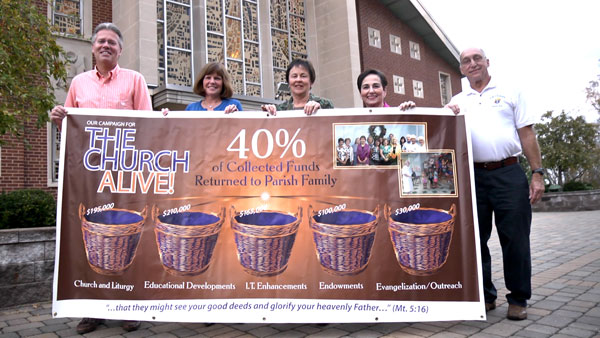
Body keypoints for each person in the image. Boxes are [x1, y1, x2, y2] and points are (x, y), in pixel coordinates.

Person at [50, 22, 150, 334]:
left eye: (112, 42)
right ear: (93, 48)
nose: (106, 46)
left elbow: (148, 127)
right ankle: (93, 310)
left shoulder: (135, 80)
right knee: (90, 241)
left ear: (120, 49)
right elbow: (69, 126)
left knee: (128, 237)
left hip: (124, 175)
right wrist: (58, 119)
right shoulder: (78, 83)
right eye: (101, 42)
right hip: (89, 178)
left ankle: (130, 308)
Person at [446, 47, 544, 321]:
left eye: (477, 59)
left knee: (515, 239)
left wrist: (538, 173)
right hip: (472, 177)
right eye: (466, 61)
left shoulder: (510, 92)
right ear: (462, 69)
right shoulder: (456, 101)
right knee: (475, 240)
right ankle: (485, 296)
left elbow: (527, 134)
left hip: (508, 173)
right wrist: (447, 113)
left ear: (487, 63)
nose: (473, 63)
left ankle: (518, 298)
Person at [262, 59, 333, 115]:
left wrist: (320, 112)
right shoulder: (279, 110)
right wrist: (268, 114)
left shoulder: (325, 105)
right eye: (294, 76)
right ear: (288, 82)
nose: (298, 80)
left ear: (311, 81)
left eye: (303, 76)